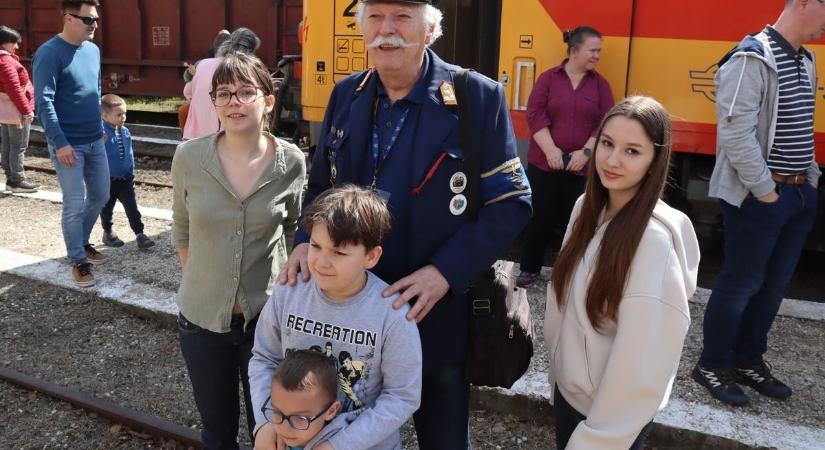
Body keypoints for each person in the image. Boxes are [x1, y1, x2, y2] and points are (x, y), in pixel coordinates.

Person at [278, 1, 532, 448]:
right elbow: (320, 185)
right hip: (351, 314)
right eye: (375, 18)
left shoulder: (475, 97)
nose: (386, 30)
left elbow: (511, 204)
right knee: (350, 435)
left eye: (402, 17)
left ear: (430, 28)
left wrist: (444, 274)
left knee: (444, 438)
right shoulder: (347, 94)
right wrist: (304, 240)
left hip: (429, 314)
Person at [544, 96, 700, 450]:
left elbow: (643, 364)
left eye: (632, 151)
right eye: (608, 144)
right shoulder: (586, 208)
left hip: (609, 422)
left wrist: (597, 438)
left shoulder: (653, 243)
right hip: (571, 397)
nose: (612, 161)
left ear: (654, 161)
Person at [171, 52, 305, 450]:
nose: (233, 102)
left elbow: (294, 228)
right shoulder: (190, 157)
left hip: (266, 322)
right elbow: (181, 227)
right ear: (212, 102)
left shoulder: (291, 162)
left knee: (270, 428)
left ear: (268, 100)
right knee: (217, 430)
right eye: (224, 93)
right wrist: (201, 281)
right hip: (201, 323)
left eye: (246, 92)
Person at [693, 0, 823, 407]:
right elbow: (735, 134)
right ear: (805, 3)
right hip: (763, 197)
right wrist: (766, 191)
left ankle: (749, 359)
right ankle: (712, 364)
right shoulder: (752, 57)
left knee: (772, 289)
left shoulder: (806, 60)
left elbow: (803, 123)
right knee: (741, 284)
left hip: (798, 194)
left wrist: (811, 181)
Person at [251, 185, 422, 450]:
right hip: (289, 439)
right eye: (316, 246)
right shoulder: (288, 292)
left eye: (339, 252)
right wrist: (265, 423)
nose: (321, 262)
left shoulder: (392, 315)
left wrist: (338, 445)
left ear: (371, 256)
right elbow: (264, 357)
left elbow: (402, 396)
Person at [516, 25, 614, 287]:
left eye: (599, 51)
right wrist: (551, 151)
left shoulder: (600, 86)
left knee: (579, 222)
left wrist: (586, 153)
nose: (597, 56)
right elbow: (535, 114)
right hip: (544, 165)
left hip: (581, 168)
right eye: (593, 50)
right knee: (538, 219)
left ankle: (570, 275)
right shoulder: (548, 79)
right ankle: (530, 269)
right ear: (574, 51)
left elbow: (606, 122)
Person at [33, 0, 108, 287]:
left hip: (94, 138)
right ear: (68, 18)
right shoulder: (50, 53)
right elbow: (44, 101)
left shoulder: (93, 50)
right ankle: (78, 260)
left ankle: (82, 240)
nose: (95, 25)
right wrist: (60, 142)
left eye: (95, 19)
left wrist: (101, 125)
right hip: (68, 145)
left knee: (100, 195)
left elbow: (95, 89)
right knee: (74, 203)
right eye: (88, 20)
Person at [97, 94, 154, 250]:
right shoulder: (101, 133)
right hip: (107, 180)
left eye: (124, 114)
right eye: (119, 114)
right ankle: (108, 232)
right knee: (106, 208)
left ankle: (140, 234)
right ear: (104, 115)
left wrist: (131, 170)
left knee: (132, 207)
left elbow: (129, 153)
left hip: (125, 179)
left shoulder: (125, 131)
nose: (123, 117)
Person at [182, 27, 261, 140]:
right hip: (221, 138)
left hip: (193, 135)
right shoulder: (240, 70)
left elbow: (187, 92)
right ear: (250, 52)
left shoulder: (201, 64)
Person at [261, 349, 343, 450]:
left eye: (300, 418)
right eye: (277, 412)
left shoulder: (345, 443)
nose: (284, 428)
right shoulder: (270, 441)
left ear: (331, 411)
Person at [0, 25, 38, 193]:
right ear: (4, 43)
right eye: (13, 42)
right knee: (18, 145)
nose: (16, 46)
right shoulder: (6, 61)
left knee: (8, 143)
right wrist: (26, 111)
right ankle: (17, 180)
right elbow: (14, 89)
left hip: (7, 111)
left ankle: (11, 178)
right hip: (16, 111)